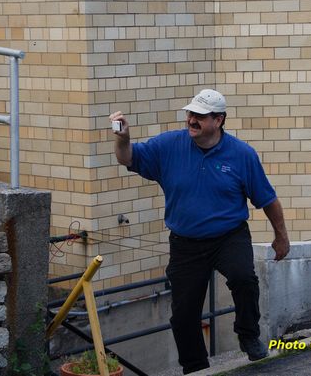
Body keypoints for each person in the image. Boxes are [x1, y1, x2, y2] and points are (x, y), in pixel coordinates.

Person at [109, 89, 290, 374]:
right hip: (185, 242)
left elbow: (267, 199)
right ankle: (195, 368)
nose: (192, 120)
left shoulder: (242, 155)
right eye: (190, 114)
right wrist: (123, 138)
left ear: (218, 120)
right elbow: (127, 157)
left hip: (229, 235)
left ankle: (248, 335)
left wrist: (281, 236)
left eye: (200, 116)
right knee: (183, 314)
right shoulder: (168, 146)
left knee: (244, 278)